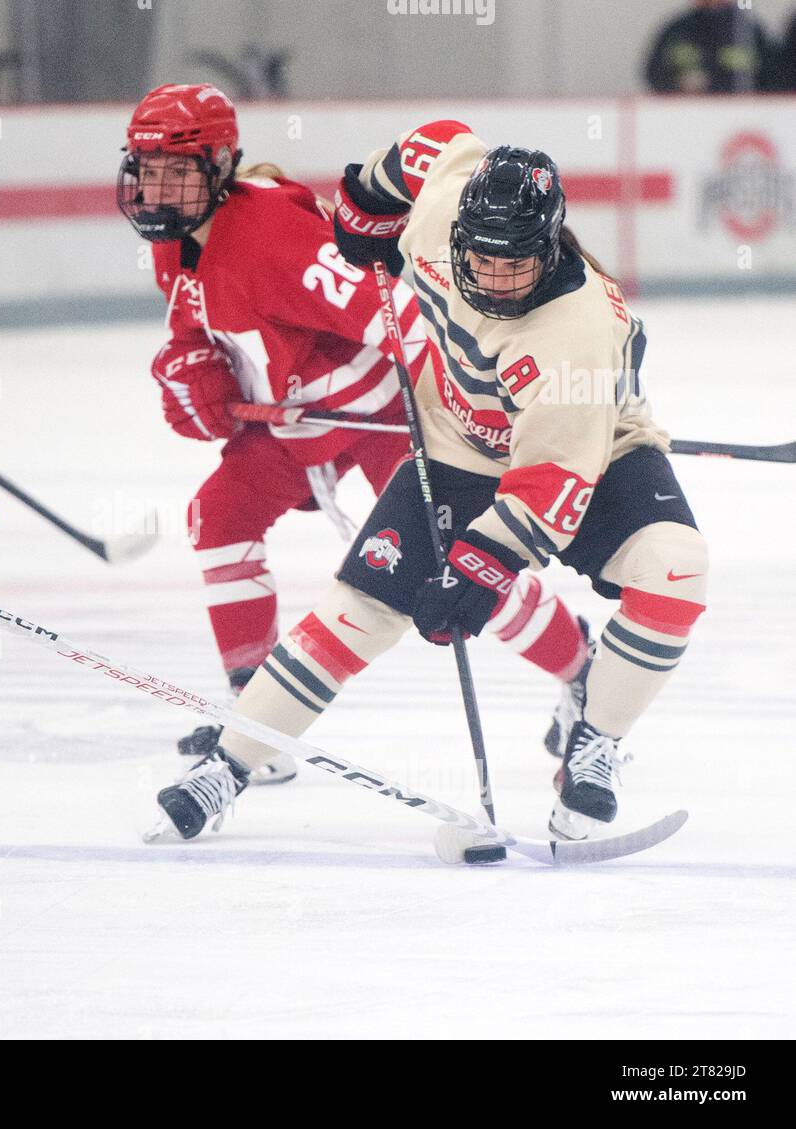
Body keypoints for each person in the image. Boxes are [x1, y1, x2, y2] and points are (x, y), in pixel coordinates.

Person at [152, 119, 708, 846]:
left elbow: (547, 485)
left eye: (517, 266)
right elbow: (436, 143)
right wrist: (364, 203)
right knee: (359, 610)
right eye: (481, 260)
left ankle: (595, 744)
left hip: (597, 453)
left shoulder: (575, 334)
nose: (495, 281)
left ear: (550, 248)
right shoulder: (446, 210)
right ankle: (229, 765)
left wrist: (478, 570)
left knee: (676, 569)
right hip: (457, 446)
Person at [118, 85, 593, 785]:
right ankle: (256, 716)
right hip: (296, 423)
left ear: (219, 166)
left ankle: (583, 667)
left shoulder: (267, 234)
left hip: (376, 413)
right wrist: (194, 366)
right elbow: (197, 323)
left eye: (177, 172)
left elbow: (397, 310)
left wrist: (483, 395)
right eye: (147, 170)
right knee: (220, 515)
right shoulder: (177, 243)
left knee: (453, 556)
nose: (158, 191)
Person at [645, 0, 775, 94]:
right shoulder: (677, 30)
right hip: (686, 115)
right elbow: (653, 71)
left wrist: (715, 84)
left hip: (739, 115)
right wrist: (678, 83)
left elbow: (773, 76)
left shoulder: (746, 31)